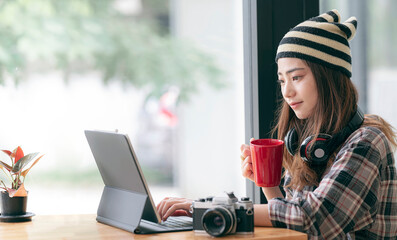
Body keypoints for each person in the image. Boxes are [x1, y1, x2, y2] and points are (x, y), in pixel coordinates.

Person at [157, 9, 397, 239]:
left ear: (329, 77)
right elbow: (292, 222)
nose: (287, 91)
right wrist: (269, 186)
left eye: (297, 77)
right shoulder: (312, 142)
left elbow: (316, 219)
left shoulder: (367, 142)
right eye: (282, 80)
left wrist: (209, 209)